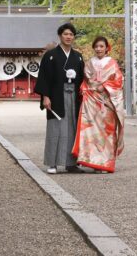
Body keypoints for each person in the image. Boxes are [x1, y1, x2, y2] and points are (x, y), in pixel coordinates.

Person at [33, 22, 85, 174]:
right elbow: (44, 78)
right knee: (55, 128)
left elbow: (84, 79)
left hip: (74, 96)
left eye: (71, 34)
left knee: (73, 127)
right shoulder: (50, 55)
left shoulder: (78, 57)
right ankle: (52, 163)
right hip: (56, 96)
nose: (68, 37)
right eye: (65, 34)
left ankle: (71, 163)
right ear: (60, 36)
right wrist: (45, 97)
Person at [72, 36, 125, 173]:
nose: (99, 49)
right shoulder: (89, 63)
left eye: (101, 46)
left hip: (107, 100)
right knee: (91, 131)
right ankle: (95, 161)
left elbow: (118, 81)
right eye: (96, 46)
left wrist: (106, 85)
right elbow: (85, 80)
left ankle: (106, 162)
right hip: (92, 100)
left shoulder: (112, 63)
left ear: (107, 48)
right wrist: (84, 88)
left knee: (106, 131)